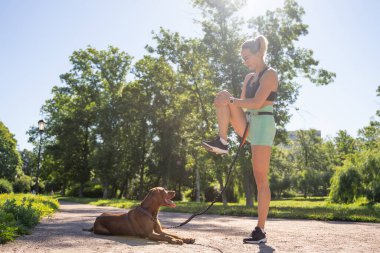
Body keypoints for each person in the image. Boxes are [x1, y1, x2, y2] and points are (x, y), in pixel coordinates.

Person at [202, 35, 278, 244]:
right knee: (223, 96)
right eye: (243, 58)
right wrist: (228, 101)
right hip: (249, 123)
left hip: (263, 125)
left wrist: (233, 100)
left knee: (260, 179)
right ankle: (223, 141)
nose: (245, 62)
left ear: (258, 53)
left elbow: (256, 102)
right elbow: (243, 105)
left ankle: (260, 230)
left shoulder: (270, 75)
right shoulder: (248, 78)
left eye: (247, 57)